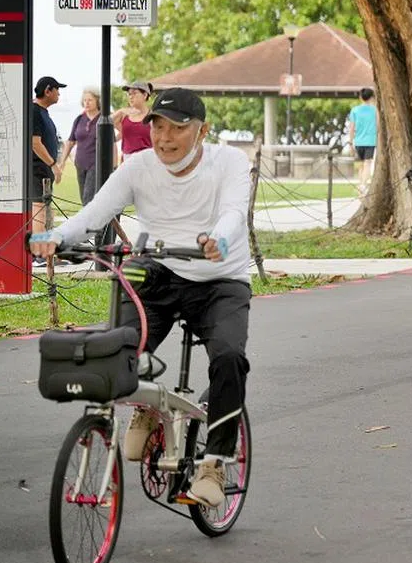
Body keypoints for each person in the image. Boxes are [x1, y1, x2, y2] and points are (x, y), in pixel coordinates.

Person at [30, 88, 252, 508]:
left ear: (202, 131)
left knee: (228, 358)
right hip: (160, 269)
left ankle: (215, 463)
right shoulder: (139, 167)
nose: (165, 138)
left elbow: (233, 212)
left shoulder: (229, 162)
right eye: (158, 126)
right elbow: (95, 212)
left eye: (178, 129)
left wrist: (218, 240)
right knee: (120, 344)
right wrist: (57, 236)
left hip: (220, 278)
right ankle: (147, 406)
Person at [29, 76, 66, 247]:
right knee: (39, 210)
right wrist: (54, 165)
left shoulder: (43, 111)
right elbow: (35, 143)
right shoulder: (35, 111)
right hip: (38, 169)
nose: (59, 93)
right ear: (48, 91)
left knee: (44, 208)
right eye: (57, 89)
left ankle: (44, 250)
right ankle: (39, 252)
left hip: (44, 170)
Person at [58, 87, 107, 207]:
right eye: (85, 100)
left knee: (88, 198)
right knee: (84, 198)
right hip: (80, 164)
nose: (87, 103)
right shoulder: (79, 119)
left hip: (96, 164)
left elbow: (112, 139)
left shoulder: (103, 119)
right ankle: (93, 223)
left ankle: (88, 225)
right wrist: (62, 162)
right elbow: (70, 142)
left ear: (98, 101)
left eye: (90, 100)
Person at [346, 87, 378, 189]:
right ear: (372, 97)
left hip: (358, 141)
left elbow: (351, 128)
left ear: (361, 97)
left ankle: (361, 185)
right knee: (368, 163)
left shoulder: (354, 110)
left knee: (361, 165)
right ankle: (363, 185)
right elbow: (378, 126)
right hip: (370, 141)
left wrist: (350, 143)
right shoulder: (375, 110)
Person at [114, 80, 154, 159]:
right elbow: (105, 123)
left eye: (134, 93)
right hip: (127, 160)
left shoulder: (152, 116)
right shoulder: (123, 114)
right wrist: (120, 111)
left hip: (147, 159)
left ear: (145, 95)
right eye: (129, 94)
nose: (131, 96)